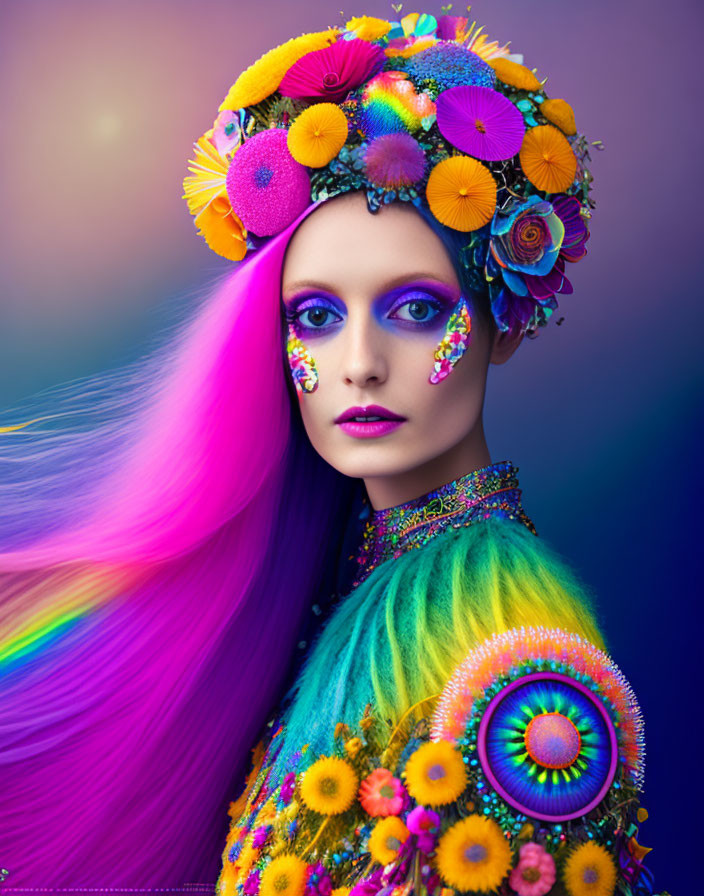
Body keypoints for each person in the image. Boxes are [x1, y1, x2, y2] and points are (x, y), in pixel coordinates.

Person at [0, 10, 666, 896]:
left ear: (502, 318)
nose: (357, 364)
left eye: (415, 308)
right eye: (316, 317)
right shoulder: (340, 583)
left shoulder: (518, 674)